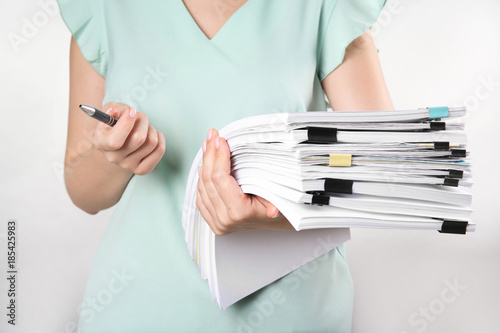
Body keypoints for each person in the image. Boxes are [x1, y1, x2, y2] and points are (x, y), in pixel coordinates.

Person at [58, 0, 393, 331]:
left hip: (290, 315)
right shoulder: (105, 7)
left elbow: (385, 176)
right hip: (140, 308)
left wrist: (278, 215)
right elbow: (83, 193)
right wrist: (115, 156)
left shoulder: (324, 6)